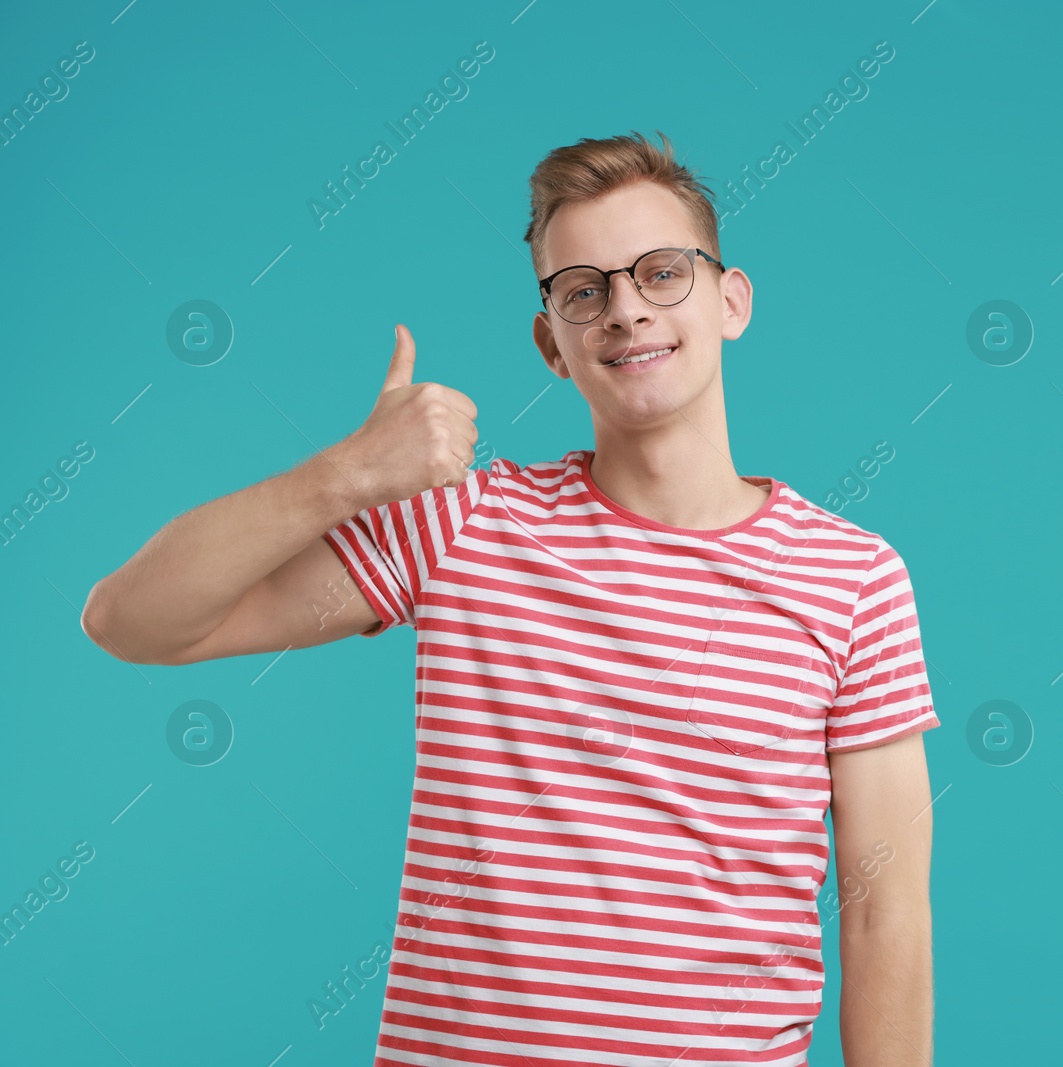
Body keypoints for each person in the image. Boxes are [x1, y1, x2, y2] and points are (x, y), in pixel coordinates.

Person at [82, 129, 938, 1066]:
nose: (624, 310)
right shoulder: (463, 527)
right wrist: (345, 475)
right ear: (552, 344)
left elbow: (883, 909)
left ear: (730, 300)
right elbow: (134, 620)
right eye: (584, 290)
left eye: (660, 272)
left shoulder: (854, 579)